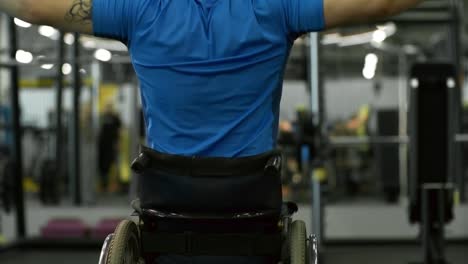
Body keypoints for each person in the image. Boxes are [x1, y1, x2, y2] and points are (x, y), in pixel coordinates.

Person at [1, 0, 425, 263]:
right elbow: (384, 1)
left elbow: (30, 5)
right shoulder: (274, 7)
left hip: (165, 216)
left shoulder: (140, 9)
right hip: (251, 216)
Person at [98, 102, 121, 192]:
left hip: (112, 145)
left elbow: (119, 131)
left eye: (110, 107)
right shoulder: (102, 117)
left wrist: (118, 143)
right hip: (102, 145)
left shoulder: (115, 118)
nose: (108, 109)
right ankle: (103, 184)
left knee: (112, 163)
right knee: (102, 165)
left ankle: (114, 185)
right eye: (107, 107)